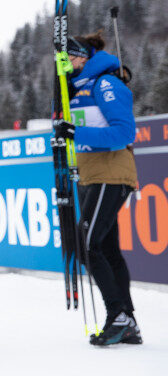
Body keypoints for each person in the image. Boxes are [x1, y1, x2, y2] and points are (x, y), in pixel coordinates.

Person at [53, 31, 141, 346]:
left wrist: (75, 132)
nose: (66, 64)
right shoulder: (77, 88)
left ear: (83, 56)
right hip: (92, 175)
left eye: (69, 58)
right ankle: (127, 321)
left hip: (112, 171)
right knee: (106, 249)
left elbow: (124, 133)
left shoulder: (105, 84)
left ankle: (117, 315)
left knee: (85, 244)